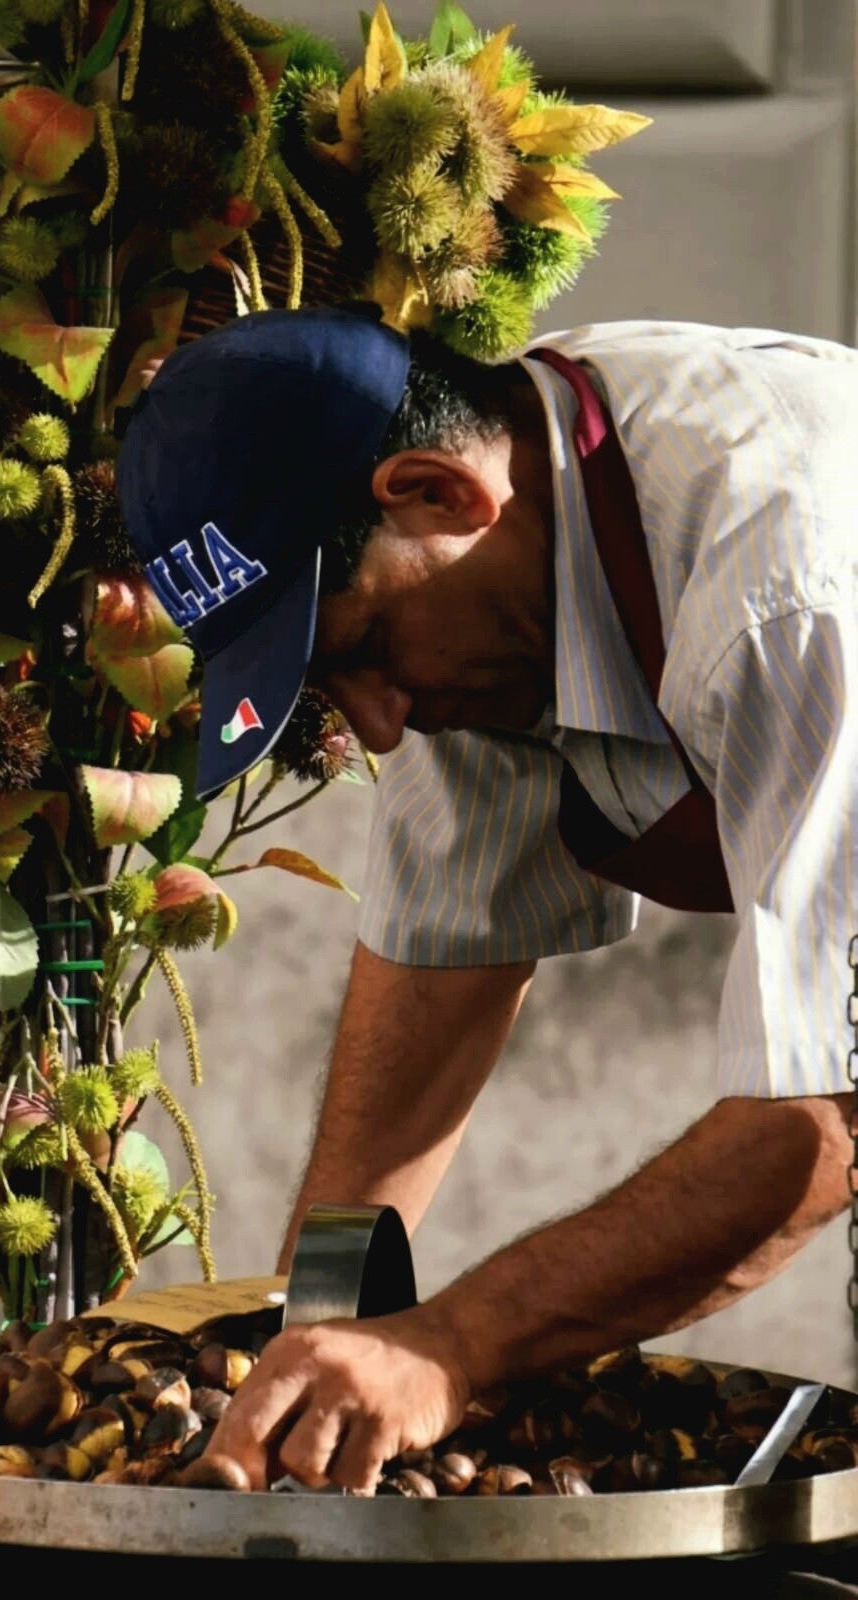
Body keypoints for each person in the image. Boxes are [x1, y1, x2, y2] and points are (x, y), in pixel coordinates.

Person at [117, 304, 858, 1495]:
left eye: (365, 647)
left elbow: (825, 1114)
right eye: (329, 688)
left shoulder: (794, 584)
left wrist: (451, 1345)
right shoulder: (495, 567)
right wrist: (311, 1339)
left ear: (438, 492)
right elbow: (437, 976)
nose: (378, 724)